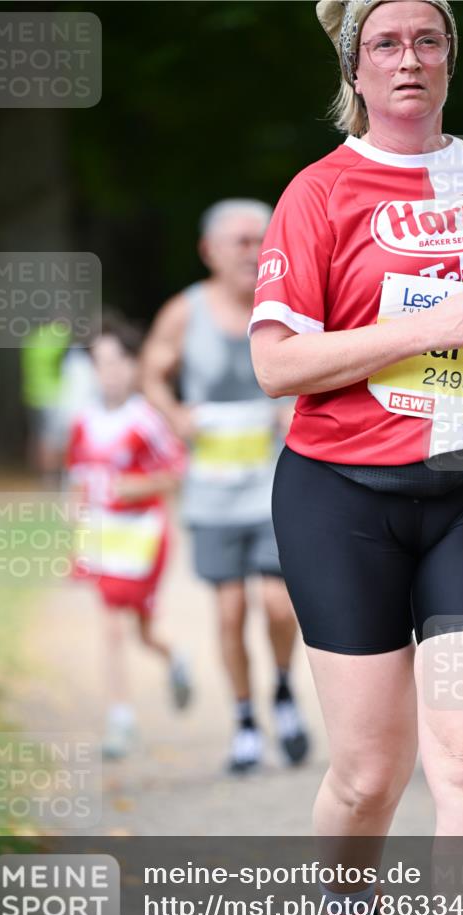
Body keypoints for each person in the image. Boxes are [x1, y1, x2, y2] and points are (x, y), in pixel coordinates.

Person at [248, 2, 463, 915]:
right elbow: (276, 364)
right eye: (385, 43)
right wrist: (420, 330)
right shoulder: (318, 192)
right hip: (342, 495)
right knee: (368, 774)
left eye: (427, 40)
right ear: (354, 67)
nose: (408, 59)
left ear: (448, 59)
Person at [143, 200, 309, 774]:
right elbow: (150, 374)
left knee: (279, 606)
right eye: (239, 241)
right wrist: (174, 415)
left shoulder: (287, 304)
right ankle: (244, 721)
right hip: (212, 491)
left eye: (260, 239)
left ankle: (283, 691)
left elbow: (324, 363)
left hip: (274, 483)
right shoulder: (184, 312)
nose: (252, 251)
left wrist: (299, 407)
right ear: (208, 251)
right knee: (229, 611)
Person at [67, 314, 191, 759]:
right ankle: (120, 719)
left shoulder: (145, 420)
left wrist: (136, 487)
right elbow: (79, 475)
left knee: (143, 631)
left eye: (118, 361)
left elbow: (176, 471)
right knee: (112, 627)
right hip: (103, 535)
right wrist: (75, 514)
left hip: (142, 537)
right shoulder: (83, 422)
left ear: (133, 365)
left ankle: (174, 657)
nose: (110, 371)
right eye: (101, 363)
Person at [21, 318, 72, 484]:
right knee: (51, 438)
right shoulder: (57, 337)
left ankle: (39, 472)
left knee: (37, 436)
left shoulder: (32, 338)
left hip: (31, 394)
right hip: (51, 395)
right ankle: (52, 475)